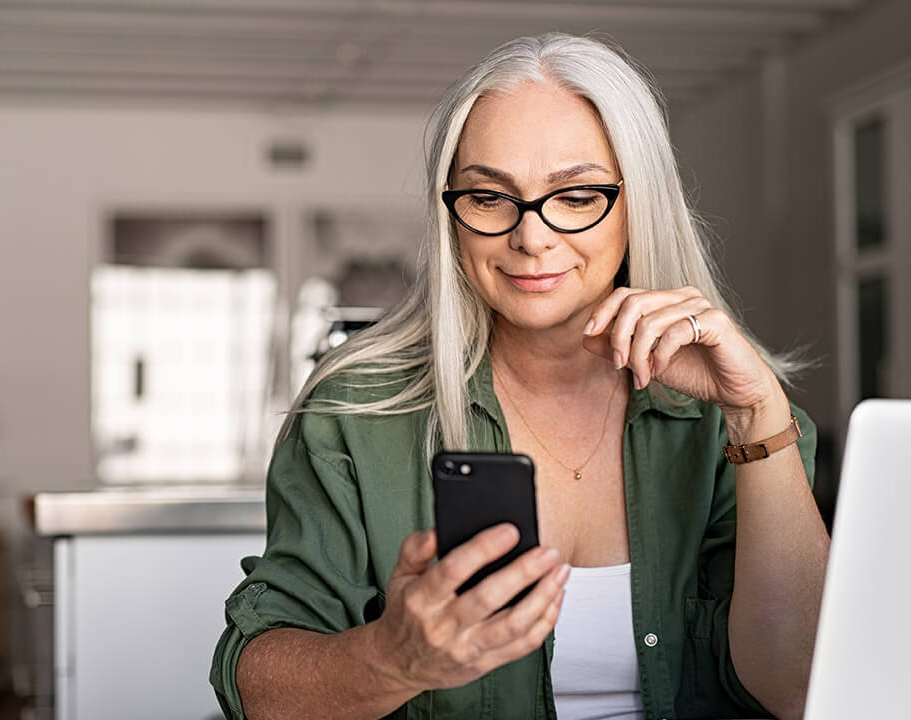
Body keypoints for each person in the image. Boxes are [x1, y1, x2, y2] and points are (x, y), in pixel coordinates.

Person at [210, 32, 830, 720]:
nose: (531, 237)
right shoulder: (356, 412)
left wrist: (756, 418)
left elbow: (801, 687)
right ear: (451, 217)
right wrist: (392, 657)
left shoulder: (737, 418)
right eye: (488, 198)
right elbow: (258, 687)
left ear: (638, 202)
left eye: (575, 195)